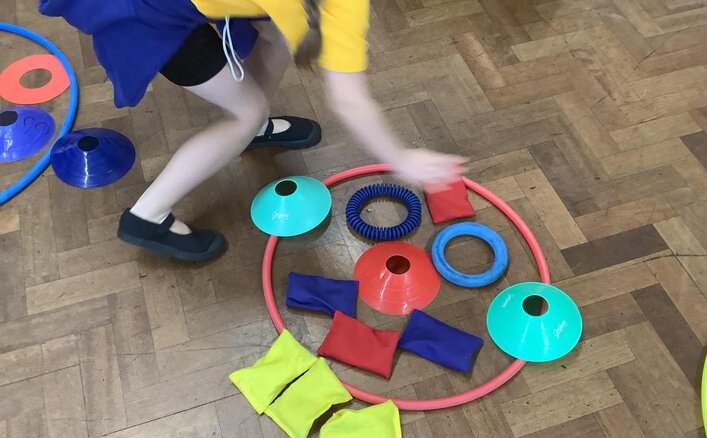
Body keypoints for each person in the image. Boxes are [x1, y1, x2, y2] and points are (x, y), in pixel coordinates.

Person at [40, 0, 464, 262]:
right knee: (245, 113)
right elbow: (348, 99)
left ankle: (253, 126)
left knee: (277, 35)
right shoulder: (342, 6)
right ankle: (147, 216)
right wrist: (401, 158)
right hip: (144, 17)